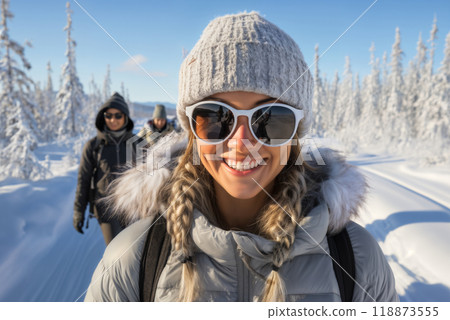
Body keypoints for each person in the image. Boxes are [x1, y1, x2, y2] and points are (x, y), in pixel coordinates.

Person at [85, 12, 398, 302]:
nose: (241, 142)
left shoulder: (357, 263)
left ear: (295, 136)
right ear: (191, 131)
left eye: (272, 118)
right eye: (215, 117)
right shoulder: (135, 259)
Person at [73, 92, 136, 245]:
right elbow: (84, 179)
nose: (113, 120)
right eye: (108, 115)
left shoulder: (137, 143)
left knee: (135, 252)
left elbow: (151, 175)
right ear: (103, 117)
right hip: (106, 210)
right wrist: (78, 211)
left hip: (133, 207)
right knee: (115, 252)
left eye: (118, 115)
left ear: (125, 117)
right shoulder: (93, 146)